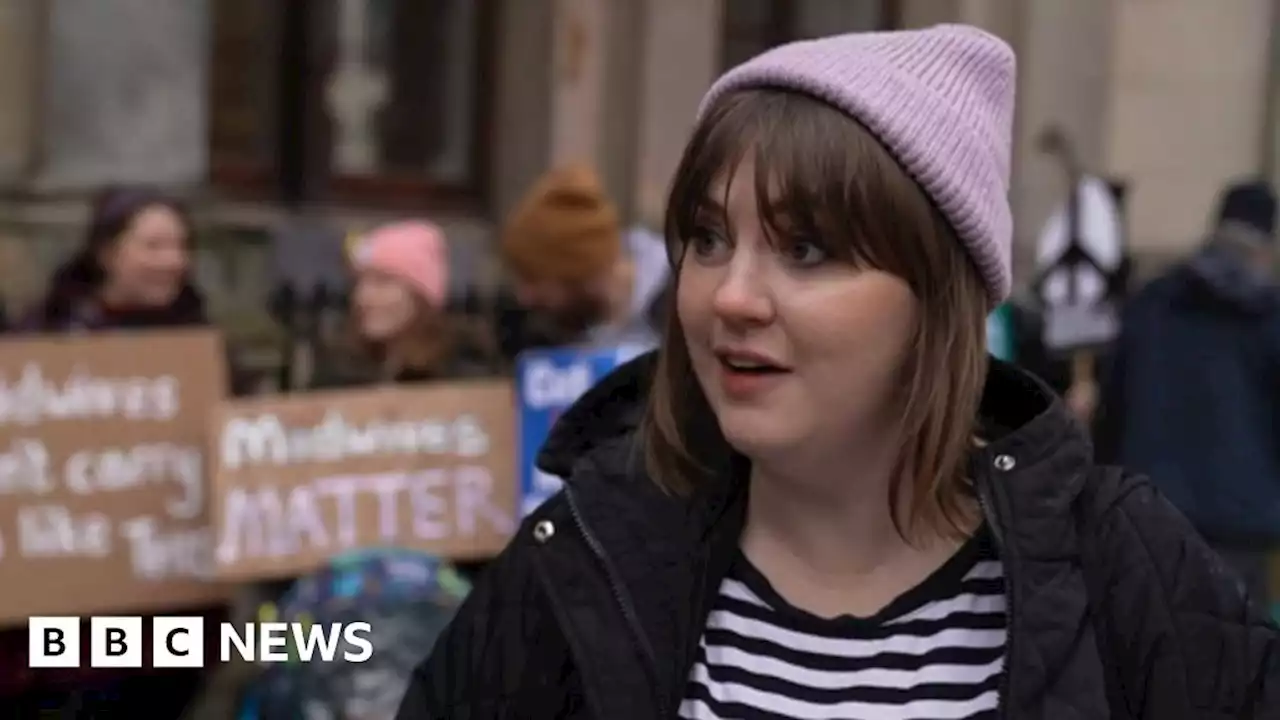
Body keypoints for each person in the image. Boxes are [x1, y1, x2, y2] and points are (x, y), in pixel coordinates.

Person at [396, 25, 1279, 720]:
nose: (730, 296)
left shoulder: (1121, 570)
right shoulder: (587, 552)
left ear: (939, 300)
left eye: (806, 248)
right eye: (708, 238)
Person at [4, 185, 221, 718]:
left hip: (164, 622)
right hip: (60, 632)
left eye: (180, 246)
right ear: (108, 253)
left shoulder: (201, 350)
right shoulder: (43, 343)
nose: (172, 261)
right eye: (153, 245)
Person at [1095, 179, 1280, 607]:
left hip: (1149, 518)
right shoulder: (1270, 319)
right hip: (1241, 528)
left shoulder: (1152, 303)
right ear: (1266, 246)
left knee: (1144, 660)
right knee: (1232, 664)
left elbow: (1112, 410)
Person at [495, 163, 670, 357]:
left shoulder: (683, 311)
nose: (524, 296)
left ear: (577, 269)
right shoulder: (556, 333)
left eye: (533, 278)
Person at [312, 219, 490, 387]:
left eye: (382, 282)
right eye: (358, 282)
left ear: (420, 296)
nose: (361, 297)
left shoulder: (462, 371)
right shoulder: (340, 369)